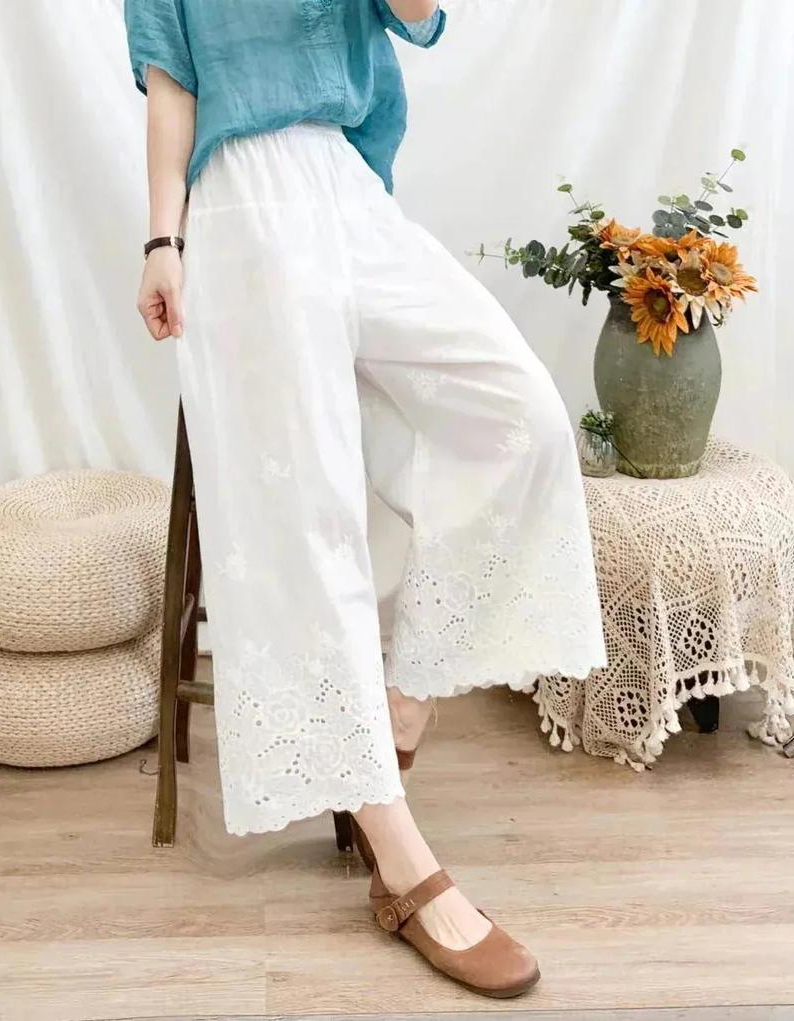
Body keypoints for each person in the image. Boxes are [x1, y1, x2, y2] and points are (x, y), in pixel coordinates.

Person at [125, 0, 605, 999]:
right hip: (239, 206)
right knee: (307, 525)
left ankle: (401, 708)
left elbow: (418, 15)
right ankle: (401, 862)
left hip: (345, 186)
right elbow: (170, 85)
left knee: (524, 417)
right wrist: (161, 241)